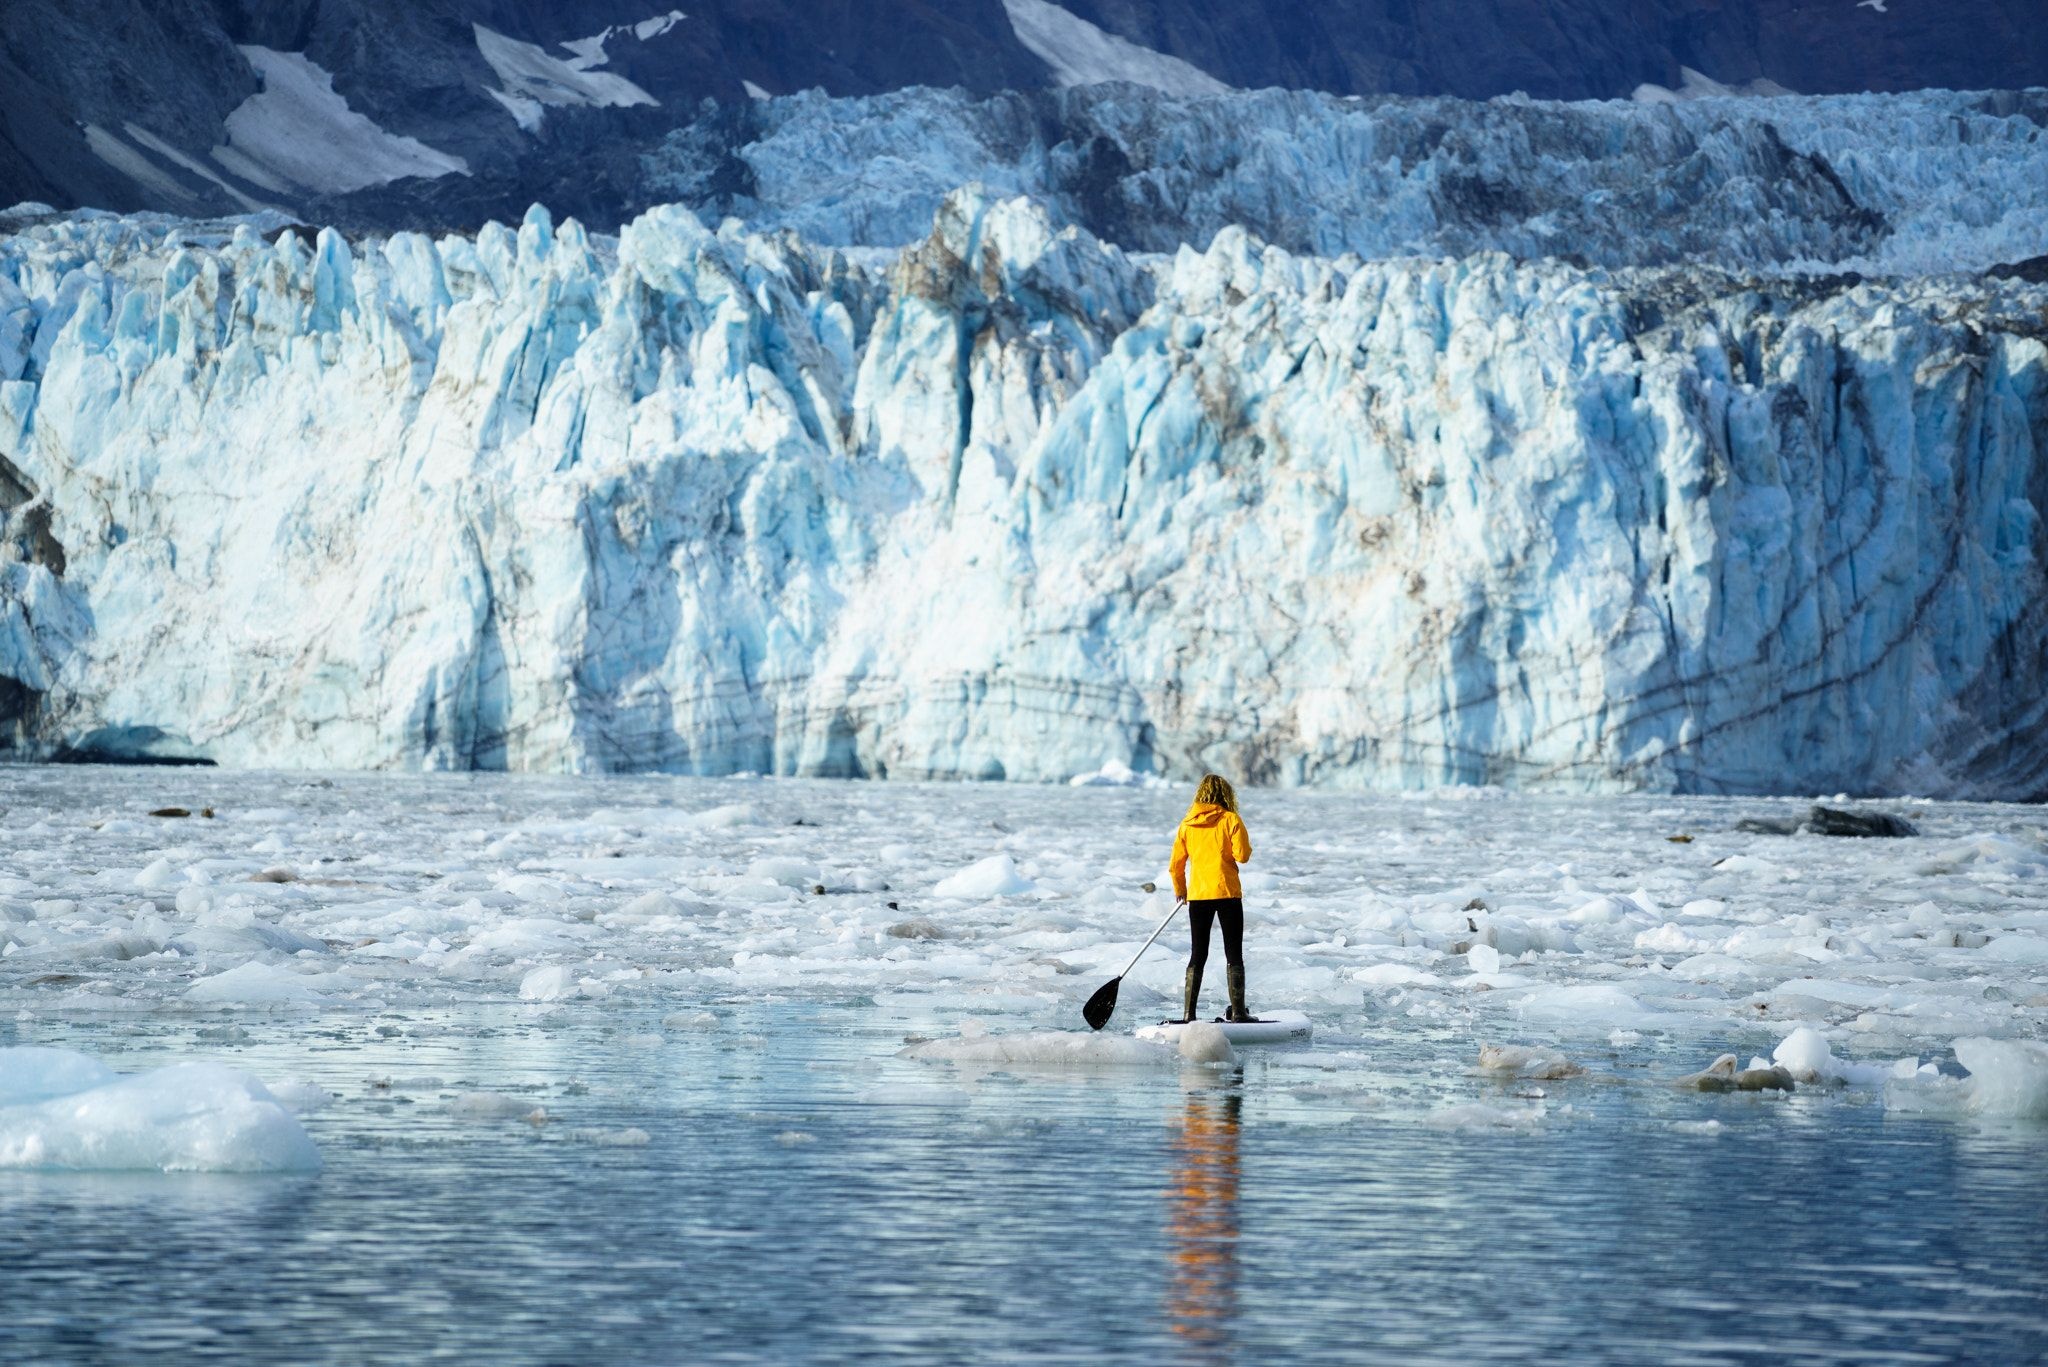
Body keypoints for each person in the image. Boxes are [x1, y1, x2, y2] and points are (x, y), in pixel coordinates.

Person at [1168, 773, 1254, 1023]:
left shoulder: (1187, 824)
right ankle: (1238, 1013)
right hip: (1226, 892)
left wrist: (1181, 890)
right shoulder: (1230, 819)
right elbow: (1243, 855)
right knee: (1233, 953)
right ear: (1226, 795)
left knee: (1198, 953)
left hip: (1199, 895)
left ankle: (1188, 1014)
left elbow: (1176, 865)